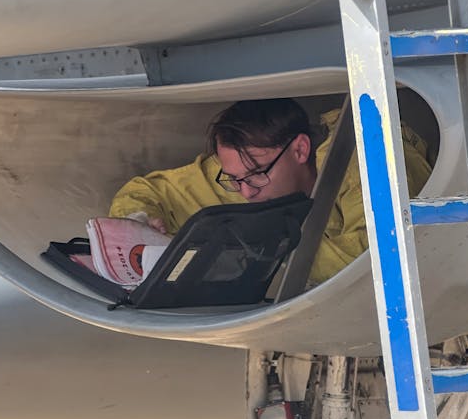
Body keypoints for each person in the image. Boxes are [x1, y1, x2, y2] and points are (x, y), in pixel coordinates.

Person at [109, 97, 433, 285]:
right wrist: (137, 220)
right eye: (234, 179)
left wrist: (244, 250)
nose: (246, 192)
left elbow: (369, 261)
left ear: (300, 150)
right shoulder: (246, 174)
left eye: (255, 176)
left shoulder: (369, 158)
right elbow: (150, 191)